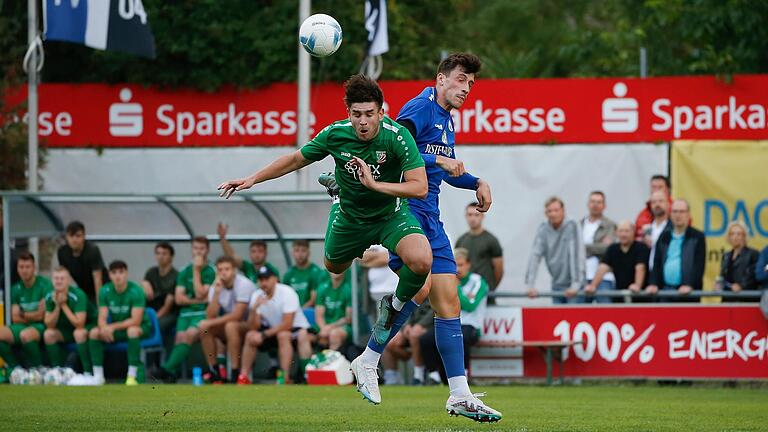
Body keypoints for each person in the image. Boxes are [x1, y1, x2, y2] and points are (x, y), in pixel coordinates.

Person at [218, 75, 433, 401]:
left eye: (369, 114)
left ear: (381, 112)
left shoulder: (397, 137)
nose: (363, 121)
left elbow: (419, 186)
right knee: (333, 265)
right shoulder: (335, 135)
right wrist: (251, 179)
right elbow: (294, 159)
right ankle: (337, 193)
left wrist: (376, 186)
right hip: (350, 218)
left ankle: (393, 307)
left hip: (390, 215)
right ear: (348, 113)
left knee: (422, 260)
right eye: (357, 114)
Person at [420, 248, 486, 384]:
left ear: (469, 264)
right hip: (451, 322)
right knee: (426, 339)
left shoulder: (477, 281)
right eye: (455, 264)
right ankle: (434, 376)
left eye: (461, 265)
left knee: (463, 337)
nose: (458, 268)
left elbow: (470, 305)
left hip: (471, 325)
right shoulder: (447, 280)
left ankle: (465, 375)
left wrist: (457, 288)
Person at [237, 266, 313, 385]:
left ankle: (284, 377)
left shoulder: (287, 292)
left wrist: (264, 335)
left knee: (283, 335)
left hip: (295, 331)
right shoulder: (257, 295)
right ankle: (243, 376)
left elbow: (287, 323)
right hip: (273, 331)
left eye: (267, 279)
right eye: (261, 280)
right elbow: (253, 327)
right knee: (250, 336)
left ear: (275, 279)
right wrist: (254, 309)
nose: (263, 283)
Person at [155, 237, 215, 382]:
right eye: (195, 248)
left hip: (202, 313)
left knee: (188, 335)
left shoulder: (211, 270)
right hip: (185, 313)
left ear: (207, 250)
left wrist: (196, 270)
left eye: (201, 248)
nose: (198, 252)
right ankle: (171, 374)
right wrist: (198, 299)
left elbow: (202, 293)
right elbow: (178, 299)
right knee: (179, 337)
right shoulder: (183, 271)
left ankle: (166, 369)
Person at [88, 260, 151, 385]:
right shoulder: (104, 291)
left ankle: (132, 376)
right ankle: (98, 377)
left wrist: (112, 327)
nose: (117, 276)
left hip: (140, 327)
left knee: (132, 331)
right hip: (118, 329)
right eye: (114, 272)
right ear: (110, 275)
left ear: (126, 273)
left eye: (121, 272)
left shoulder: (137, 291)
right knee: (94, 332)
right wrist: (104, 328)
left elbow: (136, 320)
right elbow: (102, 317)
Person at [199, 255, 256, 383]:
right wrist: (217, 293)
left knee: (230, 326)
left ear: (234, 270)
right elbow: (210, 315)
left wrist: (210, 322)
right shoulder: (216, 286)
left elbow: (238, 315)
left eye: (227, 269)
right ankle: (214, 371)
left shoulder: (244, 284)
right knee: (205, 328)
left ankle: (235, 372)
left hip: (251, 325)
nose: (223, 273)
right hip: (230, 325)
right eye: (220, 270)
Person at [526, 197, 586, 304]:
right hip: (556, 284)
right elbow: (535, 256)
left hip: (575, 287)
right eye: (549, 211)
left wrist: (575, 285)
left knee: (573, 318)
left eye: (556, 210)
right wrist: (530, 285)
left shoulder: (572, 225)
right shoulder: (543, 228)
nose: (553, 214)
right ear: (545, 213)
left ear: (563, 211)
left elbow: (576, 255)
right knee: (557, 318)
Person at [0, 252, 52, 370]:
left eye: (27, 267)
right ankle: (15, 369)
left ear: (34, 268)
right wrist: (33, 314)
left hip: (40, 326)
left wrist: (23, 313)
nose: (24, 270)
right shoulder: (15, 288)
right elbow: (15, 318)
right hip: (21, 326)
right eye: (21, 267)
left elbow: (41, 316)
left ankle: (38, 369)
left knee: (26, 335)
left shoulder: (45, 284)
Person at [647, 199, 706, 302]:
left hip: (688, 293)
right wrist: (653, 283)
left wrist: (689, 285)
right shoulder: (663, 236)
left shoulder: (697, 237)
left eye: (682, 211)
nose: (678, 215)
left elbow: (699, 266)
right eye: (675, 211)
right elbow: (656, 263)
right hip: (665, 291)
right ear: (670, 214)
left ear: (688, 214)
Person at [43, 267, 97, 374]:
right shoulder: (50, 296)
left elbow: (79, 323)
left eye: (62, 279)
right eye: (56, 278)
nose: (58, 281)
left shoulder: (78, 295)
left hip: (89, 326)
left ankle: (87, 372)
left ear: (68, 281)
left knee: (79, 333)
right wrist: (58, 306)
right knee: (48, 334)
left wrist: (63, 305)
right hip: (66, 330)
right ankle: (57, 371)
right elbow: (49, 324)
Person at [586, 221, 650, 303]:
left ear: (633, 232)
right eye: (621, 231)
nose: (623, 234)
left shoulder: (641, 247)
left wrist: (637, 285)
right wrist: (593, 286)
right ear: (616, 233)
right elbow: (603, 268)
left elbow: (640, 268)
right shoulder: (613, 249)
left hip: (640, 295)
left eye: (627, 231)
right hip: (619, 294)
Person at [455, 202, 504, 303]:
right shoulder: (461, 241)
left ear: (482, 216)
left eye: (476, 214)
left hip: (485, 294)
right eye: (470, 215)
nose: (473, 218)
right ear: (465, 216)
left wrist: (489, 287)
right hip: (465, 294)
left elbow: (499, 269)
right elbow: (456, 266)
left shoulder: (491, 240)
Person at [381, 301, 433, 385]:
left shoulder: (436, 288)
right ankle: (392, 378)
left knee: (414, 335)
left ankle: (418, 376)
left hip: (432, 324)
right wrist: (407, 325)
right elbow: (409, 307)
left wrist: (421, 325)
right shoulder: (414, 289)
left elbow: (436, 309)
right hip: (413, 324)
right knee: (388, 341)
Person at [57, 221, 107, 304]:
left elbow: (97, 279)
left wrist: (100, 306)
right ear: (66, 237)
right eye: (71, 236)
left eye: (78, 236)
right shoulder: (62, 252)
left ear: (84, 236)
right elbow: (64, 276)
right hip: (83, 289)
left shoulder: (92, 250)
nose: (74, 239)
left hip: (102, 288)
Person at [580, 191, 616, 304]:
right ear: (588, 204)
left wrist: (583, 248)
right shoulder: (579, 225)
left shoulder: (610, 225)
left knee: (605, 315)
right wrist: (597, 246)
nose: (595, 205)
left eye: (599, 202)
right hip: (582, 276)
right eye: (593, 202)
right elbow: (572, 249)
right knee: (578, 316)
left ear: (604, 206)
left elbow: (607, 249)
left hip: (604, 277)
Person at [141, 242, 178, 344]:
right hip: (151, 310)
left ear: (171, 257)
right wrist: (144, 283)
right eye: (158, 253)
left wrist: (153, 318)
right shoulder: (151, 272)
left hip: (169, 313)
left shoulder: (175, 276)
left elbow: (167, 307)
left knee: (156, 325)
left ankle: (158, 356)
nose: (160, 257)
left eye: (164, 254)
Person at [716, 221, 759, 300]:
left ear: (744, 236)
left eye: (739, 234)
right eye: (732, 234)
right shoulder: (726, 256)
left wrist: (741, 286)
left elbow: (753, 276)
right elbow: (723, 277)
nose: (735, 237)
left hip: (746, 300)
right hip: (728, 299)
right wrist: (719, 284)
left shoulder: (753, 254)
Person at [283, 240, 328, 308]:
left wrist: (300, 311)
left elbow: (314, 300)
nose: (300, 254)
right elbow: (284, 297)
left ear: (309, 253)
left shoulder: (316, 272)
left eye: (303, 250)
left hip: (309, 313)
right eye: (297, 250)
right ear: (292, 253)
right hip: (292, 312)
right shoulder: (288, 274)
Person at [314, 270, 352, 351]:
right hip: (324, 326)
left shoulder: (349, 289)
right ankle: (311, 363)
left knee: (334, 334)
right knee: (303, 335)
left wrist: (329, 328)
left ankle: (332, 362)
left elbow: (348, 319)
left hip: (343, 326)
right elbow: (319, 316)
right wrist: (323, 328)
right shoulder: (322, 288)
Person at [635, 175, 672, 240]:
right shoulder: (643, 214)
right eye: (653, 187)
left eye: (660, 187)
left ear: (668, 189)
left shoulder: (678, 209)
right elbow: (638, 235)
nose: (656, 190)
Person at [644, 190, 671, 271]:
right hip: (649, 275)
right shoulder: (647, 229)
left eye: (661, 201)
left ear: (668, 204)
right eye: (654, 202)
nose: (657, 204)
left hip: (666, 273)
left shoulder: (673, 228)